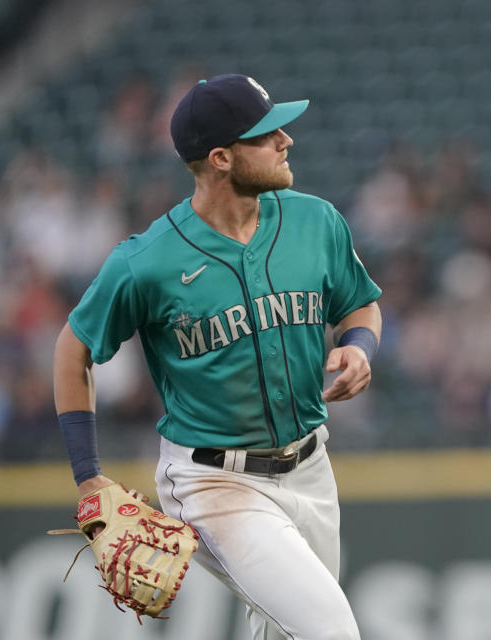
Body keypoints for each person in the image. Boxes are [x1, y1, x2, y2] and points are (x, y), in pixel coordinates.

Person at [53, 74, 382, 640]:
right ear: (222, 157)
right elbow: (72, 349)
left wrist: (359, 347)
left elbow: (360, 306)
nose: (286, 140)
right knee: (331, 632)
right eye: (266, 134)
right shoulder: (149, 260)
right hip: (214, 483)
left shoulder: (315, 220)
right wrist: (88, 479)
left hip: (311, 466)